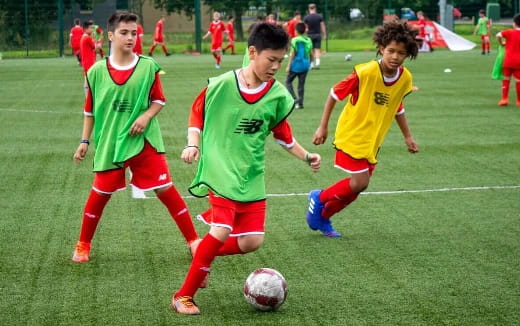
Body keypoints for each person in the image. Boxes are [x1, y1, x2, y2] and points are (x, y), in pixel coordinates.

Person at [171, 23, 321, 315]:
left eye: (281, 60)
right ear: (252, 52)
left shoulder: (277, 96)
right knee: (223, 228)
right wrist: (193, 144)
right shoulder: (223, 85)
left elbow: (283, 135)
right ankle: (183, 296)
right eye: (271, 59)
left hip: (251, 175)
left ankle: (203, 252)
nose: (276, 66)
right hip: (220, 169)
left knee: (252, 241)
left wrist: (307, 156)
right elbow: (196, 113)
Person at [71, 10, 200, 263]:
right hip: (110, 143)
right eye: (124, 33)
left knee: (166, 189)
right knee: (99, 194)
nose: (130, 38)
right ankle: (83, 244)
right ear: (110, 35)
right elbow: (90, 110)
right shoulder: (96, 72)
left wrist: (146, 116)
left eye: (134, 33)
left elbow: (159, 100)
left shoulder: (148, 66)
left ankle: (193, 240)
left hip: (145, 142)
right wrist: (84, 141)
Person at [307, 19, 419, 237]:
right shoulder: (365, 72)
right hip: (352, 134)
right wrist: (322, 127)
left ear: (408, 55)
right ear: (381, 48)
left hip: (373, 140)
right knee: (360, 182)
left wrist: (408, 136)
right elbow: (333, 94)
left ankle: (323, 217)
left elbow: (398, 106)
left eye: (401, 53)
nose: (395, 56)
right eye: (391, 51)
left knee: (358, 187)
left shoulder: (405, 78)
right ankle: (318, 198)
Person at [285, 22, 313, 109]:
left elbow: (293, 53)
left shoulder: (295, 40)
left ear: (296, 31)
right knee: (301, 85)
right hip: (305, 64)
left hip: (297, 64)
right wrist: (311, 62)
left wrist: (289, 65)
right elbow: (311, 53)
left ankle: (294, 99)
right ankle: (300, 103)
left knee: (288, 81)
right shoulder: (308, 40)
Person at [496, 13, 520, 106]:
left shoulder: (509, 32)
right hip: (519, 62)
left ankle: (504, 99)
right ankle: (519, 101)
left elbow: (498, 35)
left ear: (514, 23)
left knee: (506, 79)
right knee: (518, 81)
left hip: (508, 60)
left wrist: (502, 43)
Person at [304, 3, 326, 69]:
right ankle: (318, 62)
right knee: (317, 49)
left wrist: (304, 36)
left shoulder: (306, 17)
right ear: (315, 8)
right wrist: (324, 34)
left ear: (309, 9)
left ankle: (312, 64)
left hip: (309, 35)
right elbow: (322, 26)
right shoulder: (319, 16)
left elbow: (305, 28)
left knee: (311, 50)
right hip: (317, 34)